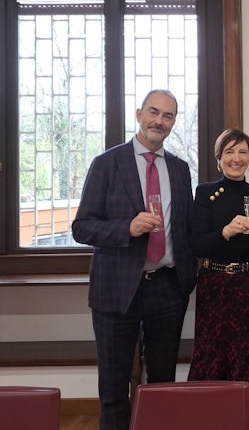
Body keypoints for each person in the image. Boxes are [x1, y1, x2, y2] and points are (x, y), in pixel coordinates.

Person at [72, 89, 197, 430]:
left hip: (168, 289)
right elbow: (82, 227)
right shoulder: (107, 163)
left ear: (173, 122)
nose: (160, 121)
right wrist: (126, 228)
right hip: (117, 289)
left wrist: (188, 276)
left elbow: (186, 229)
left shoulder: (180, 169)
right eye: (154, 112)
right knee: (114, 387)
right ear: (139, 114)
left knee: (162, 385)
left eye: (168, 116)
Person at [187, 128, 249, 389]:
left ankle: (242, 410)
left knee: (245, 356)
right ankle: (214, 411)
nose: (236, 158)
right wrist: (225, 232)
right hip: (215, 286)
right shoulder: (205, 193)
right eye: (229, 152)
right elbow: (196, 245)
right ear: (219, 159)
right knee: (213, 356)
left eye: (243, 152)